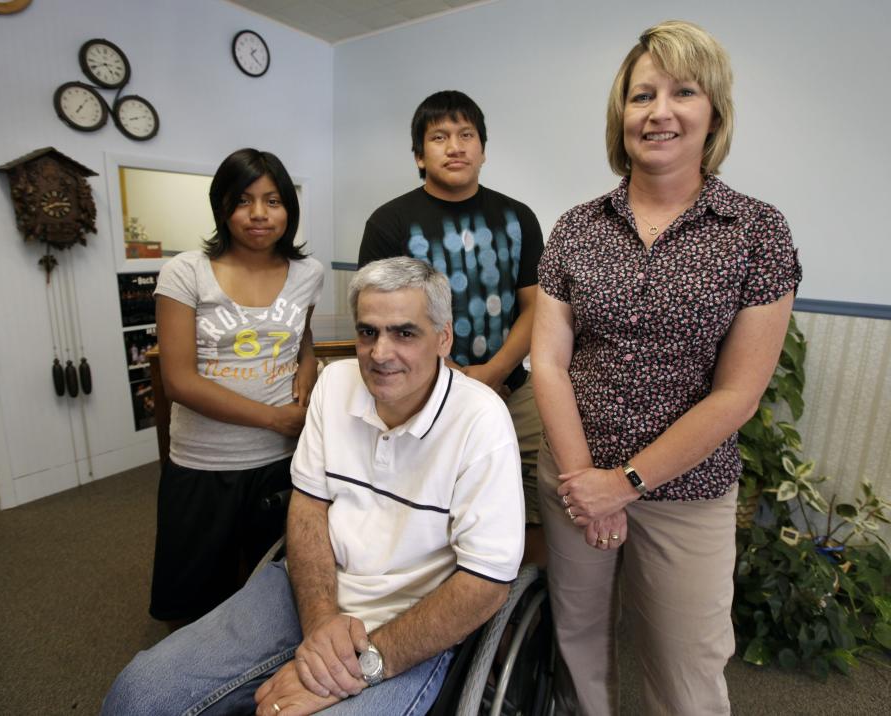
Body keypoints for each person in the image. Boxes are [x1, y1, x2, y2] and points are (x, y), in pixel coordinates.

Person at [102, 257, 525, 715]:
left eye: (405, 333)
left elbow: (486, 584)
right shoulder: (335, 384)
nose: (381, 353)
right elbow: (308, 506)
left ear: (443, 338)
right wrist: (322, 620)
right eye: (368, 332)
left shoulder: (481, 420)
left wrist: (363, 665)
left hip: (414, 616)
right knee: (138, 694)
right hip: (311, 587)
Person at [532, 20, 802, 716]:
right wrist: (583, 481)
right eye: (640, 95)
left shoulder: (756, 232)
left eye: (683, 91)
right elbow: (550, 365)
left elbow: (738, 393)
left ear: (713, 112)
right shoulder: (575, 228)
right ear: (619, 114)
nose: (659, 112)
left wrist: (623, 484)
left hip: (689, 490)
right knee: (578, 643)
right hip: (572, 475)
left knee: (687, 666)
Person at [358, 90, 546, 564]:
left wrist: (495, 372)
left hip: (513, 388)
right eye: (439, 137)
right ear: (420, 156)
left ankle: (529, 599)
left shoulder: (518, 217)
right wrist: (457, 378)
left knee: (536, 498)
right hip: (422, 393)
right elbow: (381, 320)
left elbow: (535, 308)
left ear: (483, 148)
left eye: (466, 135)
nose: (455, 146)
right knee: (438, 505)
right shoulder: (389, 222)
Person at [149, 148, 324, 628]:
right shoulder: (186, 272)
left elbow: (297, 335)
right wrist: (273, 418)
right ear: (222, 206)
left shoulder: (309, 273)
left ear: (289, 207)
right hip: (207, 464)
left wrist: (308, 364)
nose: (259, 215)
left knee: (276, 591)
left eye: (273, 200)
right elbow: (179, 380)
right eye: (243, 200)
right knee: (197, 602)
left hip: (283, 461)